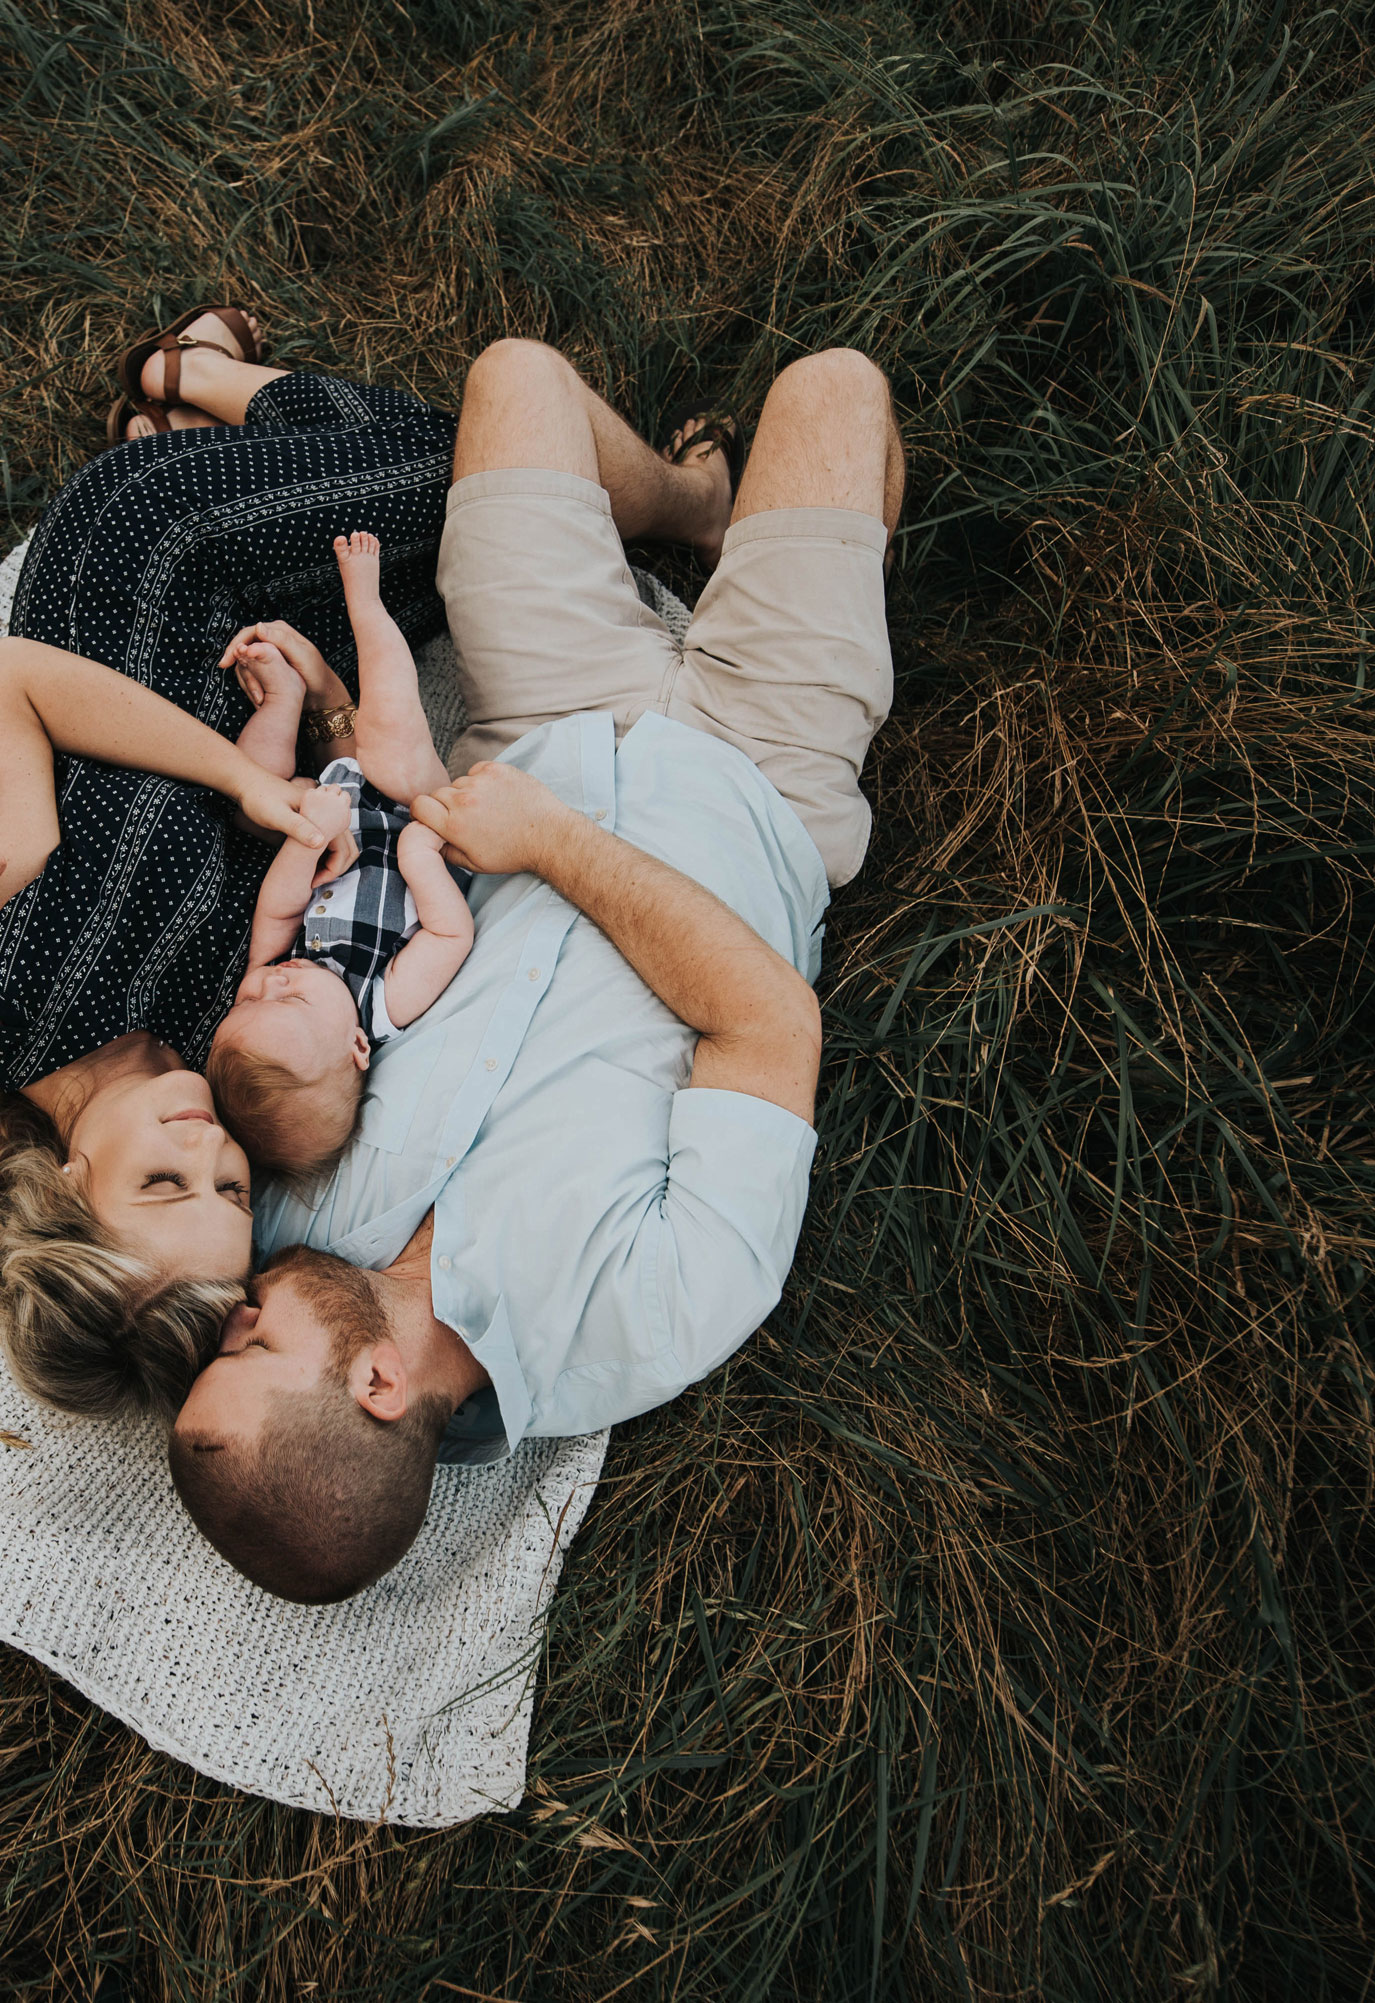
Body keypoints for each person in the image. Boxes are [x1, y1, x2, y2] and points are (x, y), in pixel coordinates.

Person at [167, 340, 905, 1603]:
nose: (231, 1312)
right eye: (248, 1346)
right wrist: (555, 845)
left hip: (534, 721)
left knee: (515, 378)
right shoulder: (647, 1317)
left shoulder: (285, 1206)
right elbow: (771, 1028)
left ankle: (695, 508)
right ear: (379, 1385)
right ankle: (819, 579)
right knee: (833, 389)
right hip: (762, 777)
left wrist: (344, 728)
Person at [0, 309, 459, 1420]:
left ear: (70, 1185)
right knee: (474, 562)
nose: (209, 1149)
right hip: (251, 656)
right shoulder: (215, 1055)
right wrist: (314, 730)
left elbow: (13, 679)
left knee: (459, 475)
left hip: (149, 562)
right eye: (227, 1189)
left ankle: (188, 377)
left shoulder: (12, 969)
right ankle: (203, 403)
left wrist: (238, 781)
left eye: (162, 1181)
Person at [205, 533, 476, 1178]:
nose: (271, 983)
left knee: (253, 799)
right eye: (289, 1001)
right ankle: (366, 605)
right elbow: (449, 934)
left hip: (332, 815)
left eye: (247, 1002)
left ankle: (283, 699)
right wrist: (420, 855)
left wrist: (308, 839)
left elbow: (277, 908)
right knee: (391, 736)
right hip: (422, 819)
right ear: (357, 1047)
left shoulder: (279, 966)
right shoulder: (382, 1005)